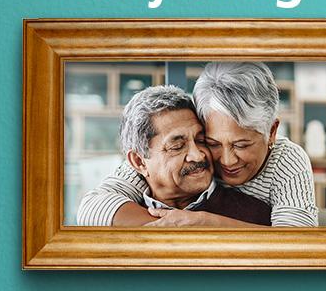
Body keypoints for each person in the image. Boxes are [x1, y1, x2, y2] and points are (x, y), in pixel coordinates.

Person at [77, 62, 318, 227]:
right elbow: (93, 206)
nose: (226, 160)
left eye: (242, 144)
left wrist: (203, 224)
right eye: (211, 142)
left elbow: (296, 244)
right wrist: (171, 230)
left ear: (272, 132)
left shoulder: (286, 161)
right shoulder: (146, 167)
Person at [92, 85, 271, 226]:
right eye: (177, 146)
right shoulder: (114, 218)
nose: (198, 156)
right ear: (139, 162)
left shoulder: (256, 216)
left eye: (202, 140)